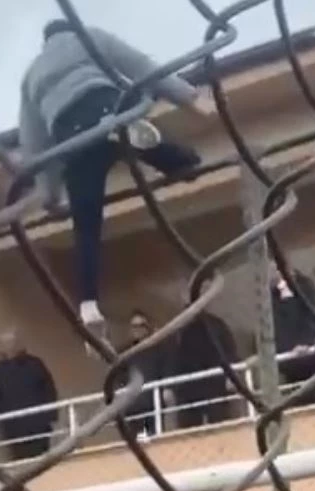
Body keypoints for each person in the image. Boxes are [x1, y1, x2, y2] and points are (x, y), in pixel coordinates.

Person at [19, 19, 206, 327]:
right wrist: (188, 97)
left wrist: (50, 194)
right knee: (179, 158)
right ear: (70, 29)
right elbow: (142, 66)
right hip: (107, 108)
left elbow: (34, 145)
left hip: (72, 140)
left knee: (86, 228)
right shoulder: (90, 37)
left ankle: (88, 305)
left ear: (45, 43)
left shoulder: (31, 76)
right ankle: (165, 154)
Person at [0, 329, 58, 461]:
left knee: (41, 459)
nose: (8, 346)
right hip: (14, 429)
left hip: (38, 426)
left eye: (11, 343)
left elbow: (49, 390)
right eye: (5, 343)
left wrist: (51, 415)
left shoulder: (35, 364)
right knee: (22, 461)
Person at [268, 265, 315, 406]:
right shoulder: (272, 298)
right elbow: (278, 331)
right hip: (291, 367)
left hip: (314, 362)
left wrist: (308, 344)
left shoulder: (305, 288)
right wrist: (289, 350)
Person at [171, 305, 238, 428]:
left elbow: (229, 351)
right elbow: (175, 359)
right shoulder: (180, 329)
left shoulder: (215, 325)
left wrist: (231, 376)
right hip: (188, 386)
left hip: (214, 382)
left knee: (220, 422)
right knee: (188, 428)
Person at [116, 310, 174, 439]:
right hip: (132, 407)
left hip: (153, 404)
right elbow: (117, 378)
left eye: (141, 325)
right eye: (134, 326)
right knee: (133, 443)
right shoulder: (124, 353)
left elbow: (167, 368)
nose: (137, 329)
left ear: (147, 328)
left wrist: (167, 389)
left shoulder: (158, 348)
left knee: (156, 441)